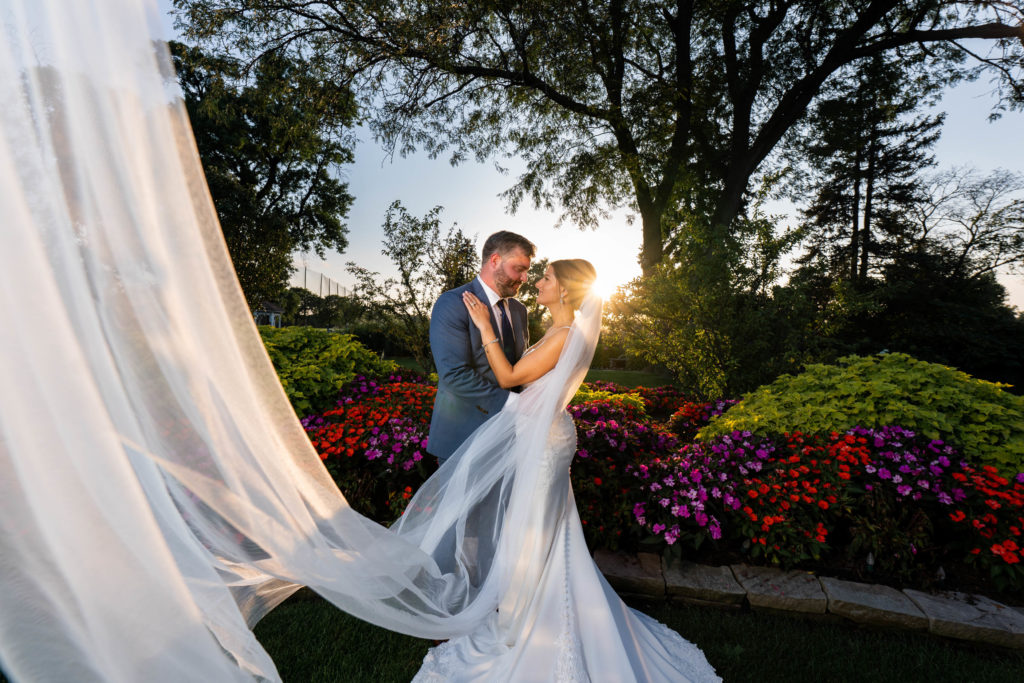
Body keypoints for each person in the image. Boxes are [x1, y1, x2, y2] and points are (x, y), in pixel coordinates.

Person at [404, 259, 720, 682]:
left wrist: (484, 329)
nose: (538, 282)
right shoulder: (556, 332)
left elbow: (508, 376)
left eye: (546, 277)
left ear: (566, 291)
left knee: (534, 527)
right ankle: (533, 607)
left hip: (545, 442)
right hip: (543, 435)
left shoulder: (564, 335)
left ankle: (540, 618)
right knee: (541, 527)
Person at [427, 231, 535, 462]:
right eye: (519, 269)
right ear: (495, 261)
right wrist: (513, 404)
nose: (525, 278)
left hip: (510, 438)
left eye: (527, 270)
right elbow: (454, 374)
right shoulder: (453, 303)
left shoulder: (519, 310)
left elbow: (520, 367)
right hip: (463, 438)